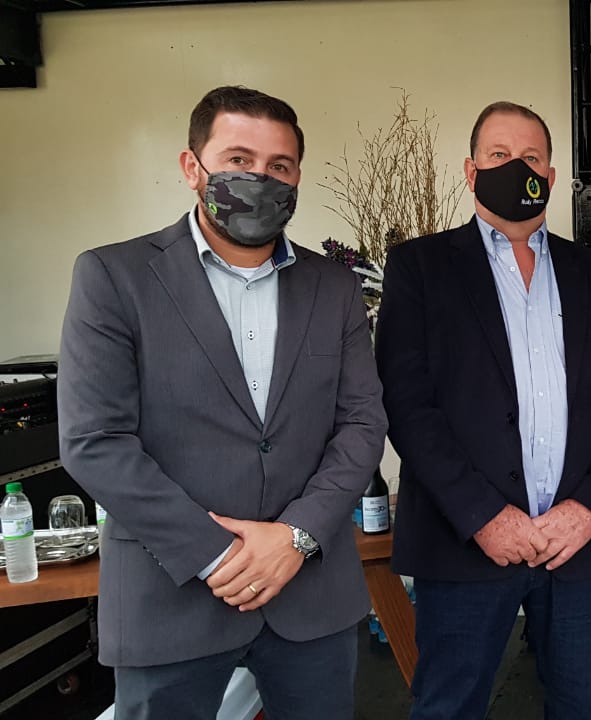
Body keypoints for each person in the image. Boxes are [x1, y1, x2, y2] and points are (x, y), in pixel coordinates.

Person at [57, 85, 388, 720]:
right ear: (193, 167)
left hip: (309, 594)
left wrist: (296, 536)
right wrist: (220, 553)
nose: (259, 179)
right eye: (239, 160)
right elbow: (94, 441)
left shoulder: (335, 286)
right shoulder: (114, 277)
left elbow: (362, 423)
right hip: (171, 594)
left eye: (279, 166)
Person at [376, 101, 591, 720]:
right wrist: (483, 516)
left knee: (585, 708)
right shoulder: (420, 267)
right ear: (471, 171)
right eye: (499, 155)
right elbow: (407, 403)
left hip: (575, 545)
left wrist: (589, 508)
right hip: (466, 542)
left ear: (550, 176)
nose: (516, 168)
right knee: (449, 708)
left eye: (530, 158)